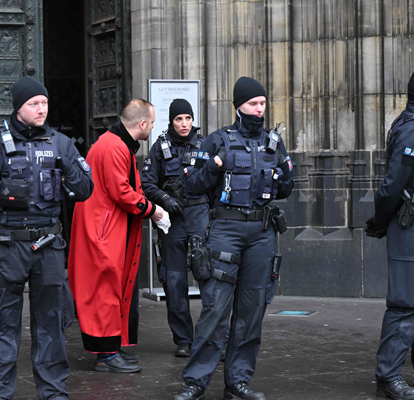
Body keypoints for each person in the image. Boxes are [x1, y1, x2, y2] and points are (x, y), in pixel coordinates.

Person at [0, 77, 93, 400]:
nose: (41, 109)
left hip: (48, 245)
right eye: (34, 103)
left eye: (44, 103)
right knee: (2, 325)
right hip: (8, 246)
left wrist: (66, 167)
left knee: (51, 324)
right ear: (18, 107)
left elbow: (85, 189)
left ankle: (53, 391)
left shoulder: (60, 142)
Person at [173, 77, 294, 400]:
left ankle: (238, 382)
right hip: (225, 231)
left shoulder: (273, 141)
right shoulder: (217, 141)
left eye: (263, 103)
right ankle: (196, 383)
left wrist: (283, 178)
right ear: (238, 105)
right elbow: (192, 187)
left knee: (252, 311)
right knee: (215, 309)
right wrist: (213, 166)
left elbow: (286, 186)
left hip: (261, 233)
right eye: (254, 103)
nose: (259, 109)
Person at [68, 99, 166, 373]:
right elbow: (122, 192)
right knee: (105, 289)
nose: (154, 127)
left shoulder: (112, 143)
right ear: (142, 124)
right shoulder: (114, 147)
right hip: (104, 231)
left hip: (104, 227)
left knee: (109, 288)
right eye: (153, 122)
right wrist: (153, 211)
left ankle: (110, 349)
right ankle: (106, 355)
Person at [366, 67, 414, 400]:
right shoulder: (413, 131)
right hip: (413, 226)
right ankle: (388, 376)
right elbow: (393, 184)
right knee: (407, 303)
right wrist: (381, 219)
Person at [141, 98, 208, 357]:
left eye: (187, 119)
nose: (183, 124)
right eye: (179, 119)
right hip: (172, 221)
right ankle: (184, 340)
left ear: (193, 120)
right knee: (174, 281)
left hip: (200, 216)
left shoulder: (206, 145)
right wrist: (165, 199)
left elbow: (217, 182)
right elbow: (146, 184)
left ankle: (212, 337)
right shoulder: (159, 148)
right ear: (171, 121)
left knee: (208, 277)